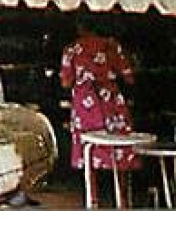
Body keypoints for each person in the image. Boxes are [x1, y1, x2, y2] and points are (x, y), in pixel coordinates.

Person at [59, 15, 139, 176]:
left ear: (79, 27)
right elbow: (129, 77)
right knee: (118, 146)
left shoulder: (71, 49)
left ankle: (92, 195)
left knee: (89, 148)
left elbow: (66, 82)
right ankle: (121, 194)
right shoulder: (112, 46)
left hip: (85, 104)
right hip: (110, 101)